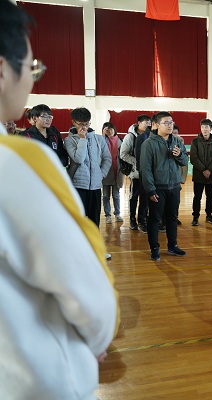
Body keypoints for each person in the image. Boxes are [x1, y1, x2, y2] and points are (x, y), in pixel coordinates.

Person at [0, 2, 119, 397]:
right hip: (36, 379)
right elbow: (88, 294)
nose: (31, 81)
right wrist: (96, 339)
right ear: (3, 71)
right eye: (32, 68)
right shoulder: (20, 161)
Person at [140, 111, 188, 261]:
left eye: (171, 122)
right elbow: (145, 169)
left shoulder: (177, 141)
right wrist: (150, 189)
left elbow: (185, 161)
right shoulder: (148, 144)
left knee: (172, 218)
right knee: (155, 219)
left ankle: (172, 246)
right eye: (166, 123)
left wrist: (179, 155)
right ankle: (155, 249)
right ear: (156, 125)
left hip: (174, 186)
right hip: (158, 187)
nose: (169, 125)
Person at [65, 108, 112, 229]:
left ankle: (93, 242)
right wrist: (82, 139)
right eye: (81, 124)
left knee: (94, 222)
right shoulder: (69, 140)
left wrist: (101, 174)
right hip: (78, 186)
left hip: (95, 186)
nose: (84, 127)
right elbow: (78, 159)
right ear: (73, 122)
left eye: (87, 124)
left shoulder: (99, 139)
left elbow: (107, 158)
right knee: (78, 222)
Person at [121, 114, 151, 231]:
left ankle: (142, 220)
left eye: (149, 123)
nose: (148, 125)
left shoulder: (150, 136)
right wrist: (138, 162)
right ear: (139, 123)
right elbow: (123, 154)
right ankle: (132, 219)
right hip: (136, 173)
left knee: (145, 197)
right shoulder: (130, 137)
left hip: (147, 173)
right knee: (134, 196)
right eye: (146, 123)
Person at [190, 118, 212, 225]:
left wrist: (209, 170)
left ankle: (209, 216)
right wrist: (203, 170)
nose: (204, 129)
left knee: (210, 197)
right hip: (199, 174)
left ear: (211, 128)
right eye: (202, 127)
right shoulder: (195, 141)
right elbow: (193, 158)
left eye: (207, 127)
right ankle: (195, 217)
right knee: (197, 197)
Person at [101, 122, 124, 224]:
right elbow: (100, 149)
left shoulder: (120, 140)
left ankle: (117, 214)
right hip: (105, 171)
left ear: (114, 129)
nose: (109, 131)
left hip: (117, 171)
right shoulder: (102, 140)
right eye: (107, 129)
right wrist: (103, 135)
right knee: (105, 195)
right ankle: (107, 215)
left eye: (111, 129)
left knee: (116, 195)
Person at [172, 124, 188, 225]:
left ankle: (175, 217)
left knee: (176, 200)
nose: (174, 134)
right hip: (165, 177)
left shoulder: (180, 142)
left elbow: (184, 163)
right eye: (173, 133)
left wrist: (183, 178)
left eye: (176, 133)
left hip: (177, 177)